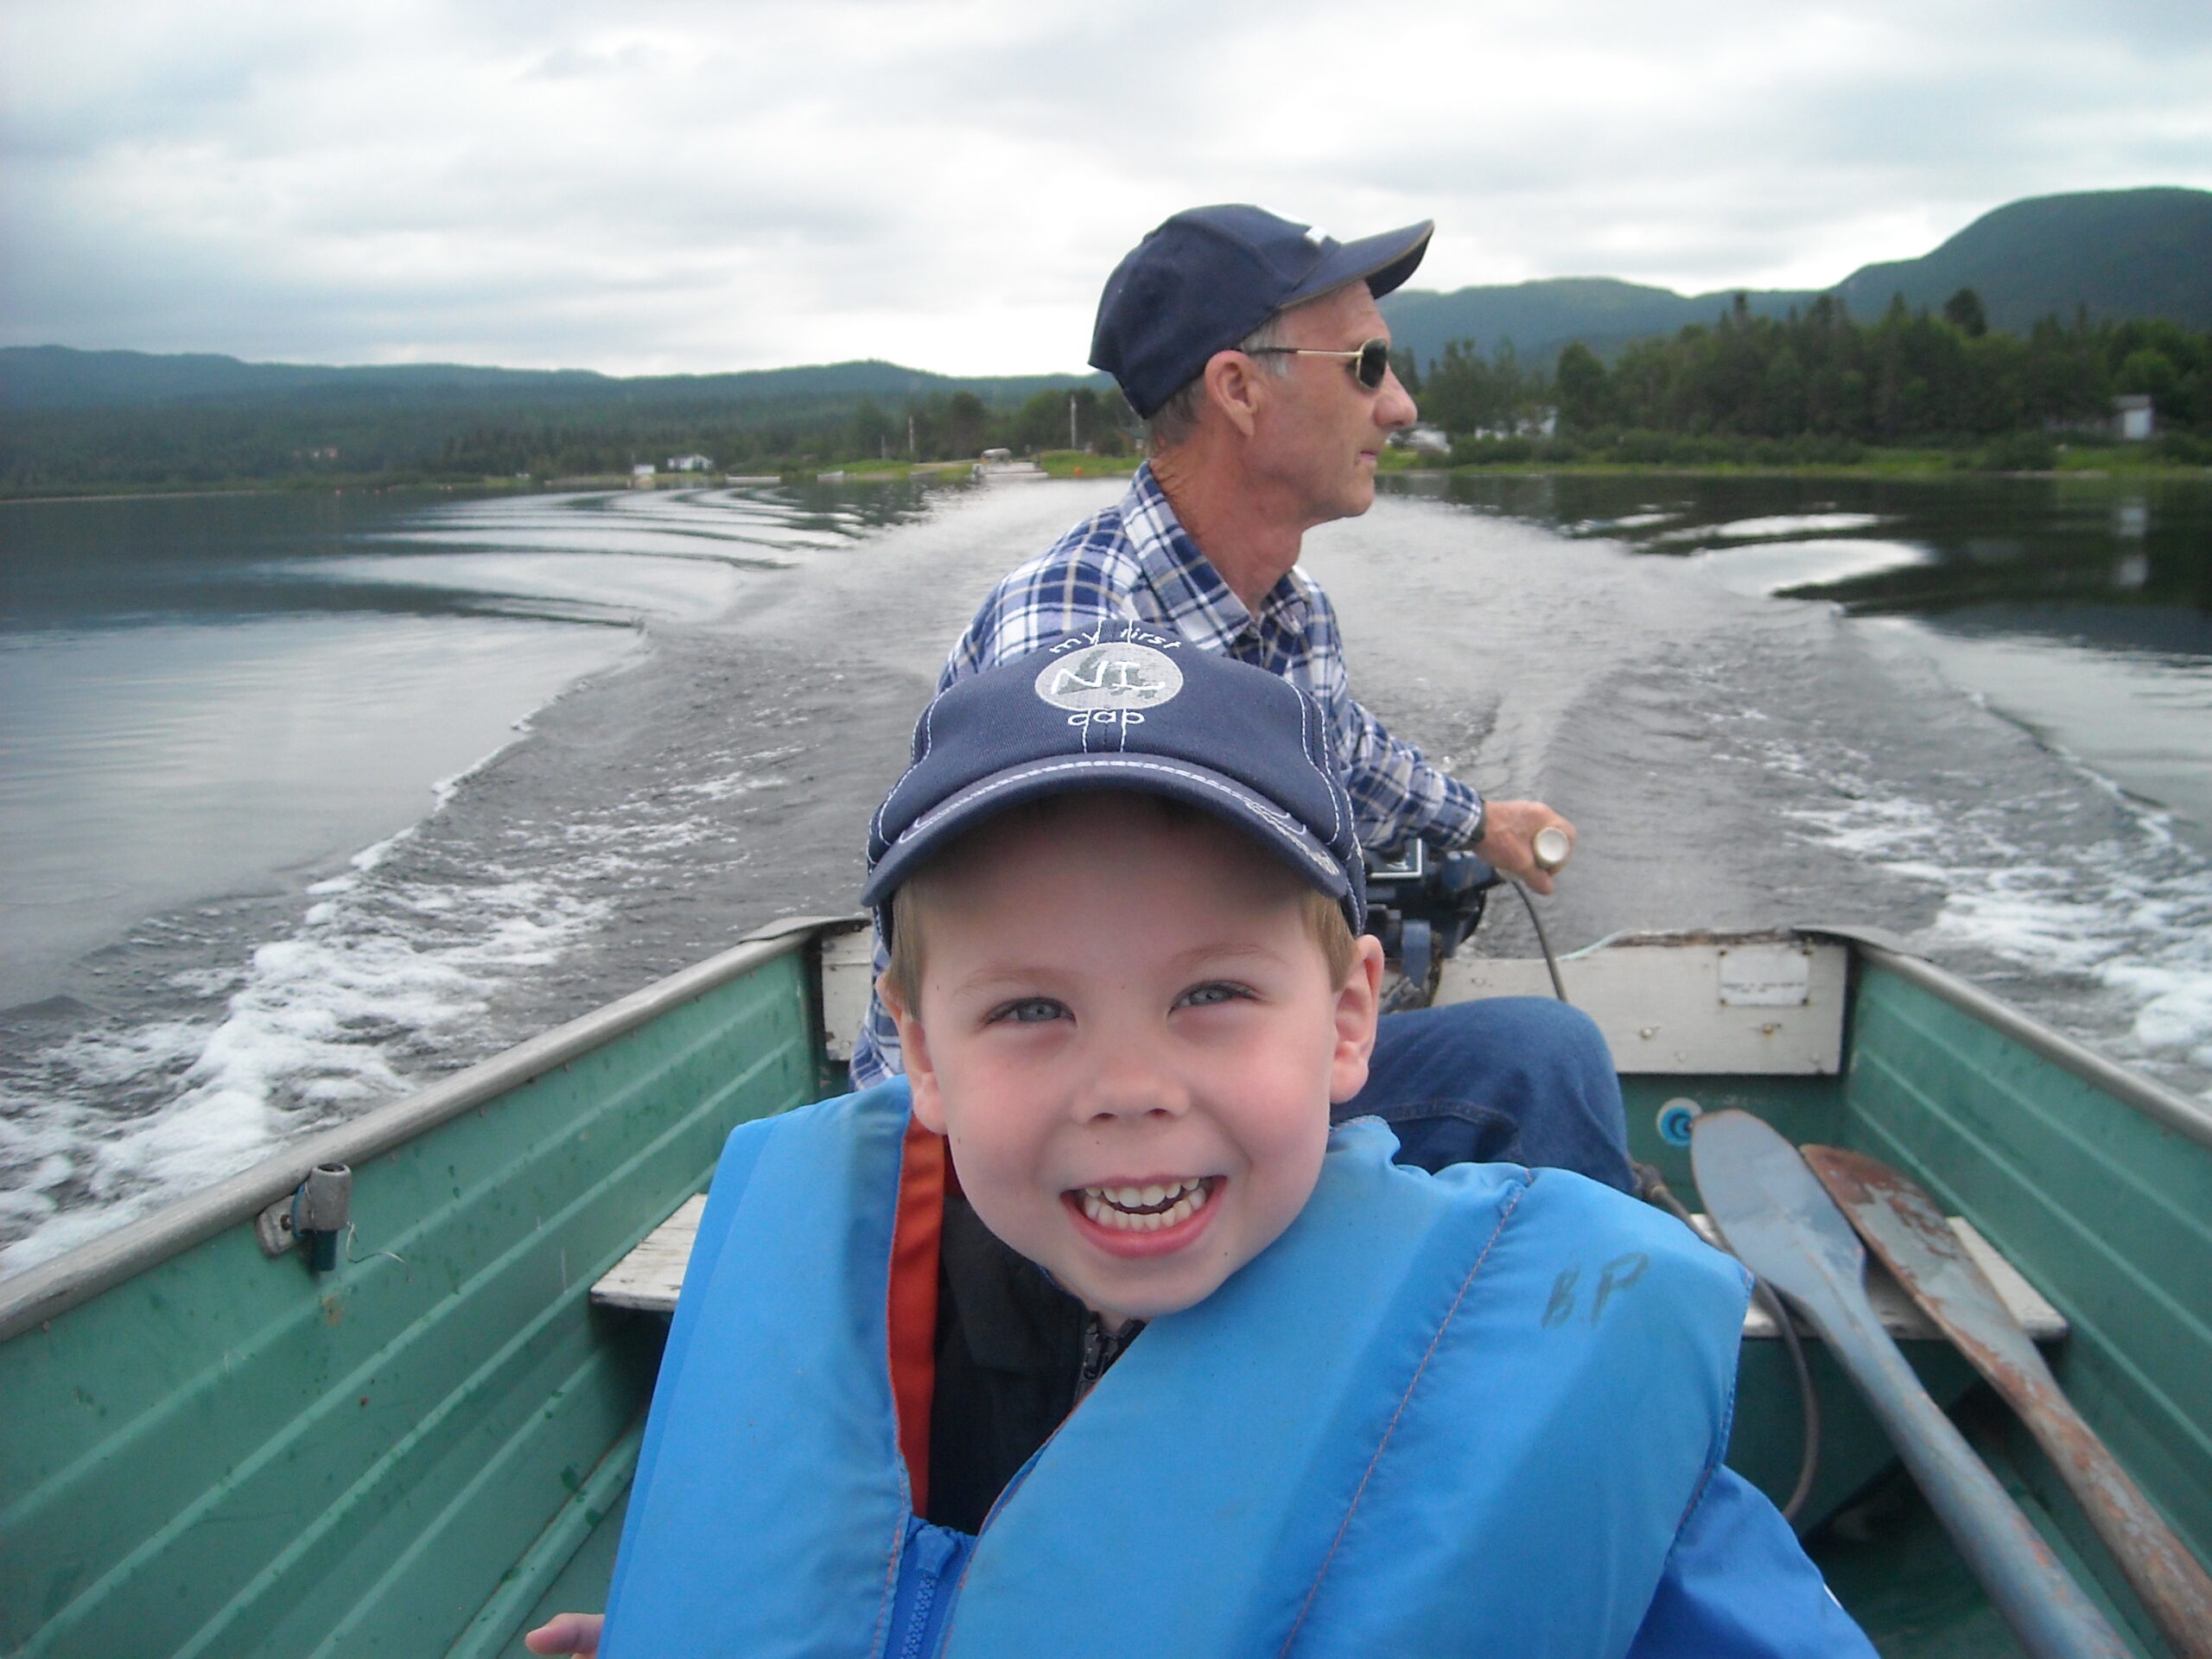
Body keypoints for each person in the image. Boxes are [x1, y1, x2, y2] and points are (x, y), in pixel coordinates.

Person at [531, 625, 1873, 1657]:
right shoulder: (866, 1327)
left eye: (1211, 995)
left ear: (1352, 1020)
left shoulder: (1582, 1472)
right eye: (1032, 1008)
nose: (1127, 1086)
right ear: (919, 1050)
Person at [849, 205, 1630, 1194]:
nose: (1399, 408)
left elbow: (1345, 752)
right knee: (1539, 1065)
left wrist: (1485, 825)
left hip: (1189, 1078)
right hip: (1023, 1163)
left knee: (1538, 1057)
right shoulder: (1075, 642)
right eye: (1366, 366)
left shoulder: (1288, 620)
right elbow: (1074, 1033)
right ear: (1238, 390)